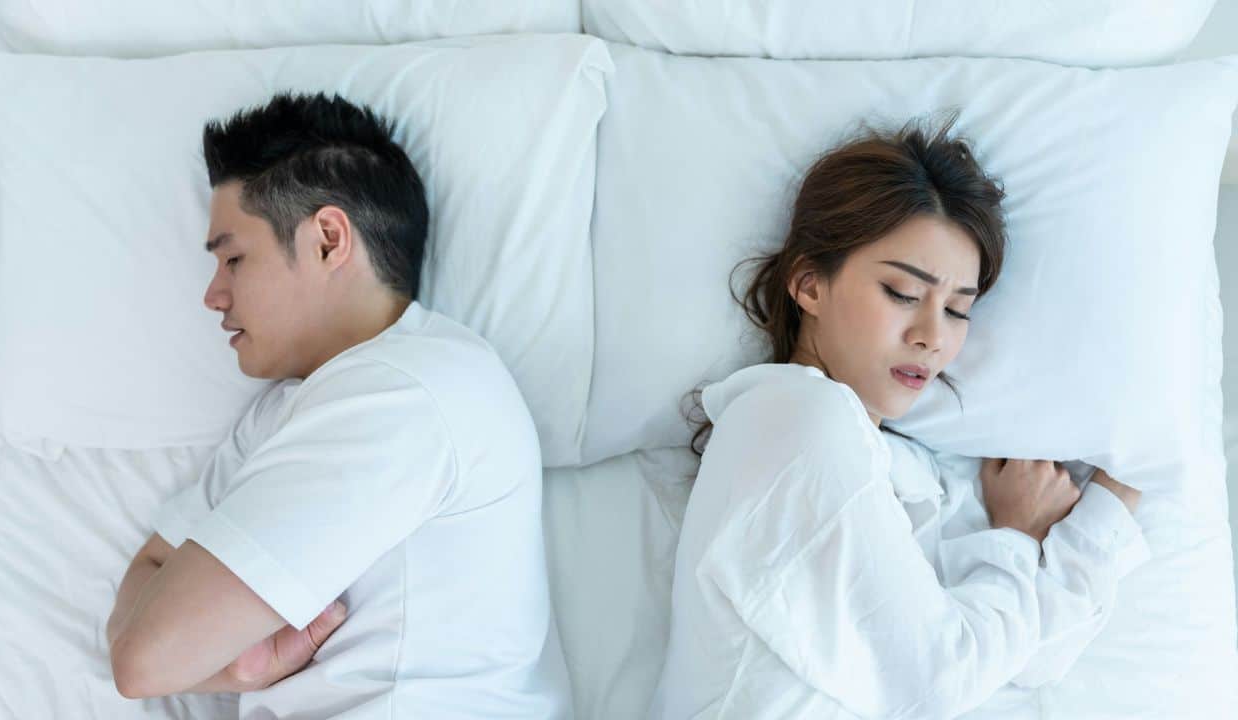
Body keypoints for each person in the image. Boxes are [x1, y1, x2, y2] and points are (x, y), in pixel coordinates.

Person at [651, 114, 1148, 719]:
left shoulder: (907, 469)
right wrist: (1016, 536)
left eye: (958, 310)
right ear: (809, 284)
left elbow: (1022, 661)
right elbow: (940, 681)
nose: (932, 337)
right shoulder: (795, 419)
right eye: (903, 294)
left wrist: (1105, 515)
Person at [104, 92, 572, 719]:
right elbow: (147, 588)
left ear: (328, 238)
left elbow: (146, 657)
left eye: (233, 258)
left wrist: (218, 662)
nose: (213, 296)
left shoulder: (408, 390)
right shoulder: (285, 411)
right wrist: (241, 665)